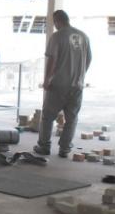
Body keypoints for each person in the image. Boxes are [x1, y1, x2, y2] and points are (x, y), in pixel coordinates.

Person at [34, 10, 92, 158]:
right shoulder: (84, 36)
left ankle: (44, 146)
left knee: (48, 116)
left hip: (58, 85)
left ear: (57, 21)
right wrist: (80, 75)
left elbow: (52, 60)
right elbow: (88, 59)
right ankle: (65, 149)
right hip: (77, 85)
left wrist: (47, 80)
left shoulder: (57, 36)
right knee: (72, 119)